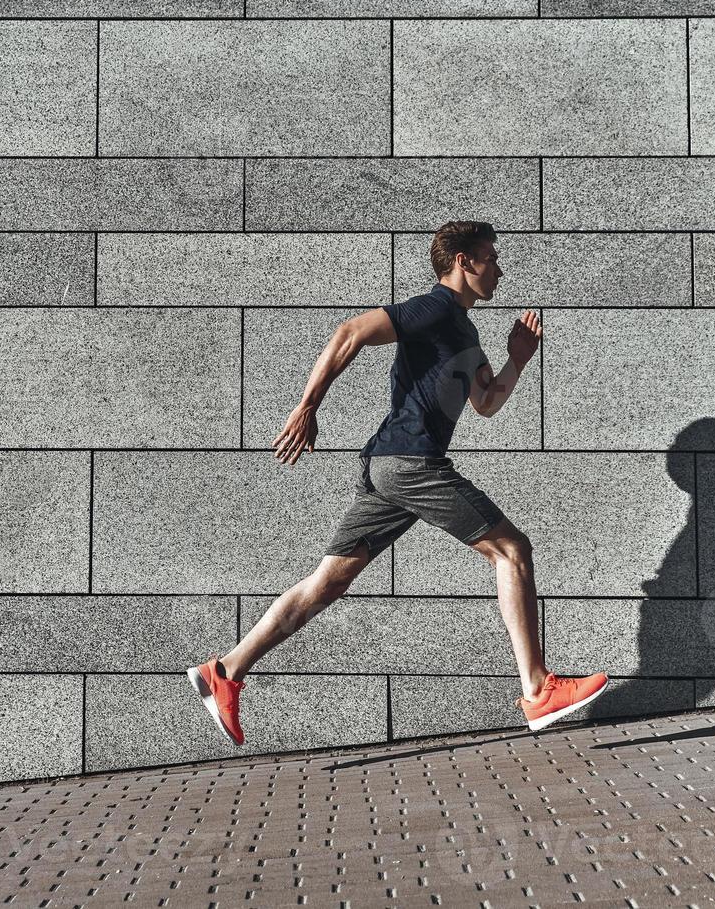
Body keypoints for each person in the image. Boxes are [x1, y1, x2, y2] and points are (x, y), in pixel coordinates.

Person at [187, 220, 608, 745]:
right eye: (490, 257)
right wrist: (308, 406)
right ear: (462, 261)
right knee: (512, 551)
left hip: (387, 468)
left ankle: (224, 671)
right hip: (410, 462)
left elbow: (486, 403)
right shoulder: (433, 309)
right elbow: (351, 333)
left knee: (328, 582)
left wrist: (517, 361)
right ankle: (539, 689)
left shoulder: (464, 331)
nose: (498, 269)